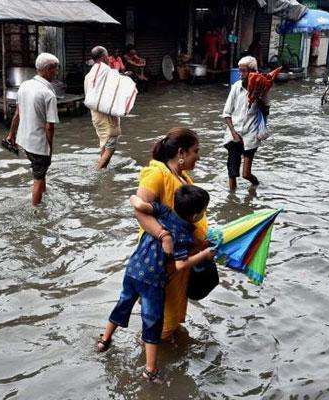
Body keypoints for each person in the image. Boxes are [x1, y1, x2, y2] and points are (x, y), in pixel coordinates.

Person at [96, 185, 214, 383]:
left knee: (122, 304)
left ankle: (104, 341)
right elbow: (180, 264)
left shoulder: (162, 210)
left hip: (133, 269)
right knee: (152, 322)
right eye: (203, 212)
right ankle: (150, 370)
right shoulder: (185, 235)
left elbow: (138, 203)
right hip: (153, 280)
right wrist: (204, 255)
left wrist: (137, 200)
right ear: (195, 216)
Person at [131, 128, 208, 344]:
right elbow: (140, 211)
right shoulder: (157, 174)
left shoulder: (183, 177)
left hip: (180, 257)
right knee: (160, 315)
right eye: (196, 151)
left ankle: (166, 345)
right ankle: (151, 361)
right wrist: (164, 236)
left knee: (171, 309)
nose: (198, 156)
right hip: (162, 260)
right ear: (181, 152)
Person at [2, 53, 60, 205]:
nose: (56, 72)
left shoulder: (24, 85)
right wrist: (49, 149)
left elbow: (17, 114)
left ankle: (44, 194)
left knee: (40, 171)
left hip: (24, 140)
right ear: (47, 69)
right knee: (38, 179)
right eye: (55, 69)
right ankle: (35, 210)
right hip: (38, 144)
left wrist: (11, 135)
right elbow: (50, 126)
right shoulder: (48, 94)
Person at [223, 56, 270, 191]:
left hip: (251, 134)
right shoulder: (236, 87)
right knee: (232, 172)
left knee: (246, 174)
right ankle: (232, 199)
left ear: (253, 72)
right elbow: (227, 113)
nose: (240, 74)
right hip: (235, 132)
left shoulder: (262, 89)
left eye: (243, 71)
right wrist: (233, 133)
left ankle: (255, 186)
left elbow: (266, 111)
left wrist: (257, 98)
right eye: (240, 71)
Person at [84, 46, 122, 169]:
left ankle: (103, 172)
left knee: (104, 143)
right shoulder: (107, 70)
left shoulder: (89, 75)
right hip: (106, 115)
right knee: (111, 146)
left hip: (95, 115)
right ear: (105, 57)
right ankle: (98, 173)